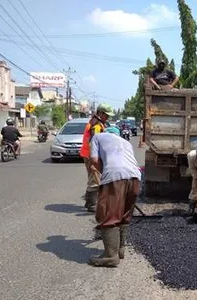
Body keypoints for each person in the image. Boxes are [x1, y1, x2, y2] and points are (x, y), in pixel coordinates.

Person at [88, 126, 141, 267]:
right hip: (135, 177)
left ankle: (110, 256)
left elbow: (93, 159)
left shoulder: (98, 137)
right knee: (124, 213)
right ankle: (120, 249)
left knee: (108, 215)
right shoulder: (126, 142)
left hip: (114, 176)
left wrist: (101, 170)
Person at [79, 103, 114, 212]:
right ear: (100, 113)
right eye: (106, 114)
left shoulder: (96, 122)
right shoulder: (96, 125)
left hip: (88, 154)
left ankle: (89, 201)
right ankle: (92, 204)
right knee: (95, 179)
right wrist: (96, 159)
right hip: (91, 155)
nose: (107, 117)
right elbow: (95, 142)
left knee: (92, 177)